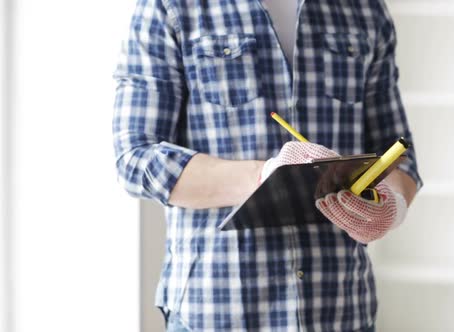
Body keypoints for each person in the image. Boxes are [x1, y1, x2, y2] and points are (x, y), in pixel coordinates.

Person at [112, 0, 422, 330]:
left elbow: (400, 156)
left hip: (341, 310)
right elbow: (136, 157)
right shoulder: (169, 6)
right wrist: (265, 175)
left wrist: (393, 206)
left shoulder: (364, 9)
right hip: (217, 312)